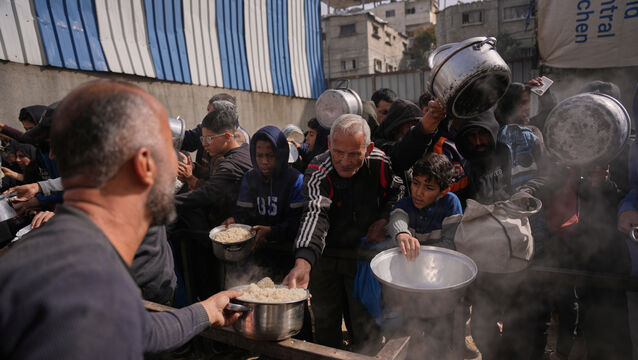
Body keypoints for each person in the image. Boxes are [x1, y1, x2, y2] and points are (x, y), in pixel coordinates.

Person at [0, 80, 243, 359]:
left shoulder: (77, 262)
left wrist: (206, 312)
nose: (179, 167)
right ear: (144, 165)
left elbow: (140, 330)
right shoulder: (82, 282)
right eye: (169, 151)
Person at [283, 114, 400, 353]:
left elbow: (396, 193)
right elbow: (315, 212)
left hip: (363, 257)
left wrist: (384, 218)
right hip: (325, 255)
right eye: (338, 152)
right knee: (325, 320)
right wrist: (304, 261)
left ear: (368, 149)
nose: (345, 161)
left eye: (354, 154)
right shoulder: (318, 169)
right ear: (328, 145)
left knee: (363, 322)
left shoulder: (380, 163)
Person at [223, 125, 304, 279]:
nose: (264, 161)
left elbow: (298, 223)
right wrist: (234, 221)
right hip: (256, 256)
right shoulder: (250, 178)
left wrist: (272, 230)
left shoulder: (295, 180)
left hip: (287, 256)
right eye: (259, 156)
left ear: (280, 154)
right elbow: (244, 215)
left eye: (270, 155)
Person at [387, 153, 462, 260]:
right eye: (416, 183)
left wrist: (419, 252)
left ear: (443, 192)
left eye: (429, 188)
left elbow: (451, 243)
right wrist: (402, 234)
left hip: (439, 263)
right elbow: (397, 218)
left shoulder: (450, 203)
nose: (418, 193)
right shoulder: (406, 204)